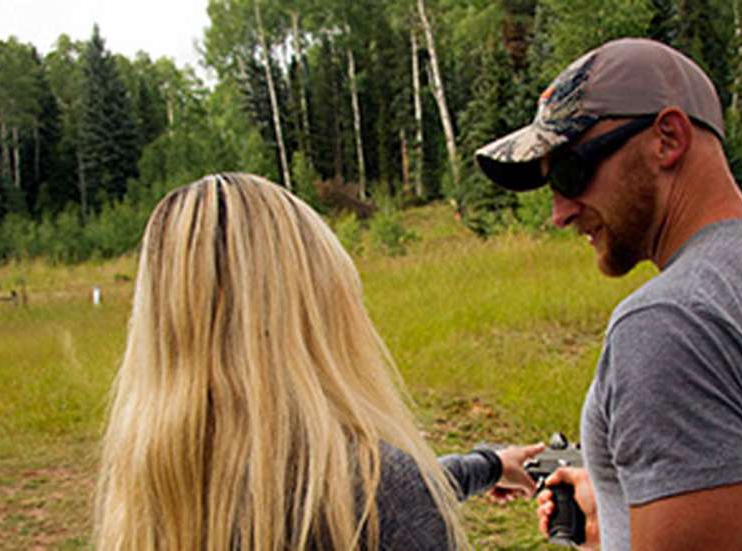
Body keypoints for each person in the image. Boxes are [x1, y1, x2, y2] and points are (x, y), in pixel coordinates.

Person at [475, 38, 742, 550]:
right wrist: (618, 515)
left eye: (572, 173)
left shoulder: (672, 321)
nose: (560, 213)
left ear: (667, 138)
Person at [93, 172, 544, 550]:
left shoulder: (156, 484)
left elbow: (323, 493)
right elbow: (366, 499)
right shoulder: (376, 490)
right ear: (312, 308)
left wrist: (487, 466)